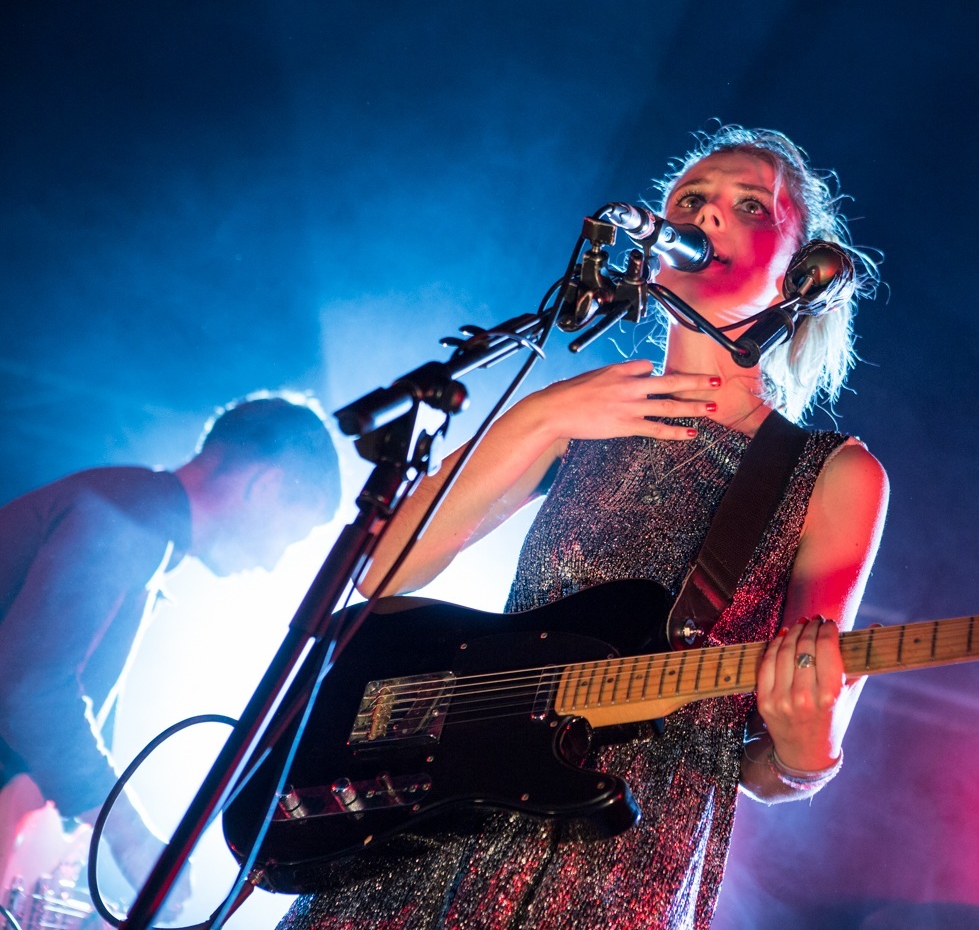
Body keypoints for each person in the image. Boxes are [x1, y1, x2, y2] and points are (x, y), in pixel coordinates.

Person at [278, 126, 888, 930]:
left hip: (612, 866)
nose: (707, 216)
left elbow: (763, 764)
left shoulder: (831, 473)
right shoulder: (582, 415)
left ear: (802, 273)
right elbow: (383, 566)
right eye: (690, 200)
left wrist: (808, 750)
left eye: (749, 206)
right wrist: (540, 415)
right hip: (434, 820)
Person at [0, 393, 342, 907]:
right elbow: (30, 691)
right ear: (265, 485)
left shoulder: (136, 518)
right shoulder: (128, 516)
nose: (274, 561)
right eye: (291, 533)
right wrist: (131, 839)